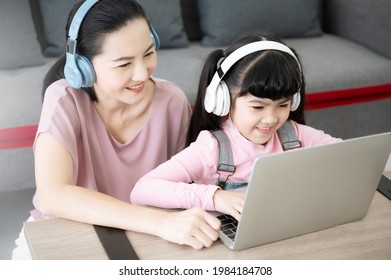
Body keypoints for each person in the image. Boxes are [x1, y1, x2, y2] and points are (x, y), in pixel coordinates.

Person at [12, 0, 220, 259]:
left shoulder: (172, 101)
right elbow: (54, 196)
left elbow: (185, 183)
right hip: (69, 230)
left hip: (148, 235)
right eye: (123, 64)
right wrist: (157, 223)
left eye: (148, 53)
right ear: (83, 66)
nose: (142, 74)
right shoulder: (64, 99)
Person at [130, 32, 342, 221]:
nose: (270, 119)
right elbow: (143, 190)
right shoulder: (211, 148)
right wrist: (215, 197)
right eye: (258, 107)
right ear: (223, 100)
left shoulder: (294, 135)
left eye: (283, 105)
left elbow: (348, 156)